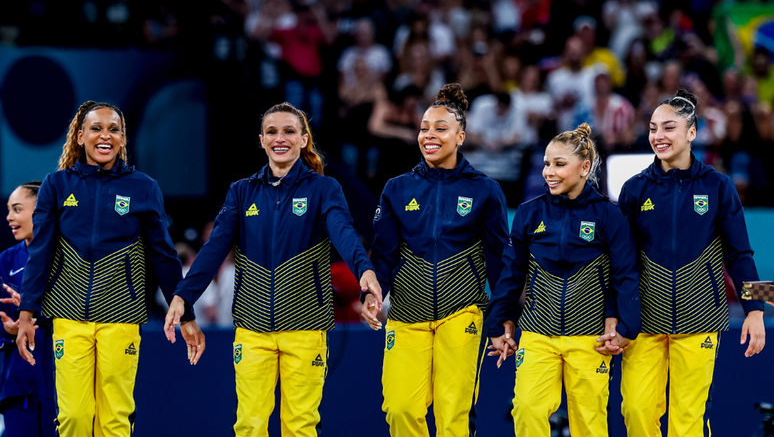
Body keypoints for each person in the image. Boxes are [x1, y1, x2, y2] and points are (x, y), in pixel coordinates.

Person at [164, 102, 382, 436]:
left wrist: (364, 271)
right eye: (272, 132)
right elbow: (213, 250)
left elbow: (344, 233)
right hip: (252, 330)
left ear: (304, 139)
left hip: (306, 328)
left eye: (289, 131)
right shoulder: (241, 192)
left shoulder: (324, 189)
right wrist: (183, 296)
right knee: (249, 425)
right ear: (262, 140)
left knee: (299, 427)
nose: (280, 138)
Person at [15, 101, 204, 437]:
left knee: (114, 421)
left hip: (121, 317)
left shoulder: (143, 187)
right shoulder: (57, 185)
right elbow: (40, 253)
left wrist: (184, 313)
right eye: (96, 128)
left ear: (123, 138)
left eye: (113, 129)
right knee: (73, 418)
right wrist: (27, 313)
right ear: (80, 136)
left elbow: (163, 255)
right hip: (70, 317)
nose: (105, 135)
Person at [617, 89, 766, 437]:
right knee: (636, 414)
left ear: (692, 132)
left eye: (669, 127)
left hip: (700, 319)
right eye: (653, 128)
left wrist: (756, 309)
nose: (658, 136)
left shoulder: (718, 186)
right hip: (643, 321)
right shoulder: (633, 189)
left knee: (688, 422)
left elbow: (741, 254)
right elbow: (620, 263)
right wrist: (614, 316)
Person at [362, 83, 510, 435]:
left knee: (454, 415)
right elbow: (383, 255)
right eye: (424, 128)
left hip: (462, 314)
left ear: (460, 136)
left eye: (440, 129)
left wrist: (500, 321)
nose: (429, 135)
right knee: (400, 409)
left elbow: (499, 262)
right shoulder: (397, 188)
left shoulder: (485, 190)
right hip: (407, 315)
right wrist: (373, 294)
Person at [485, 123, 641, 436]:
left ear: (585, 167)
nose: (549, 172)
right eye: (546, 164)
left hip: (590, 340)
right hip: (536, 335)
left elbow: (625, 276)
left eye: (559, 164)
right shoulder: (530, 213)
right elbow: (511, 274)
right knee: (527, 412)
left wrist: (626, 328)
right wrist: (497, 323)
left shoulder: (609, 215)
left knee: (590, 426)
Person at [0, 181, 55, 437]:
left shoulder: (69, 256)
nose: (9, 216)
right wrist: (8, 331)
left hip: (60, 381)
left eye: (17, 209)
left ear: (40, 210)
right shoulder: (6, 260)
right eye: (9, 210)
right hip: (18, 384)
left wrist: (32, 309)